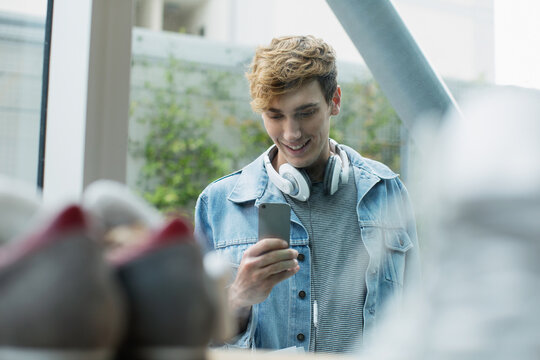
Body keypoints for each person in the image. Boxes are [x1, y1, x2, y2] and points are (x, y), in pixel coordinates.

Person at [194, 35, 420, 353]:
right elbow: (194, 342)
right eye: (275, 115)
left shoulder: (386, 192)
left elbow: (419, 319)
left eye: (305, 112)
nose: (291, 133)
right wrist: (238, 298)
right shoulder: (219, 204)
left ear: (334, 101)